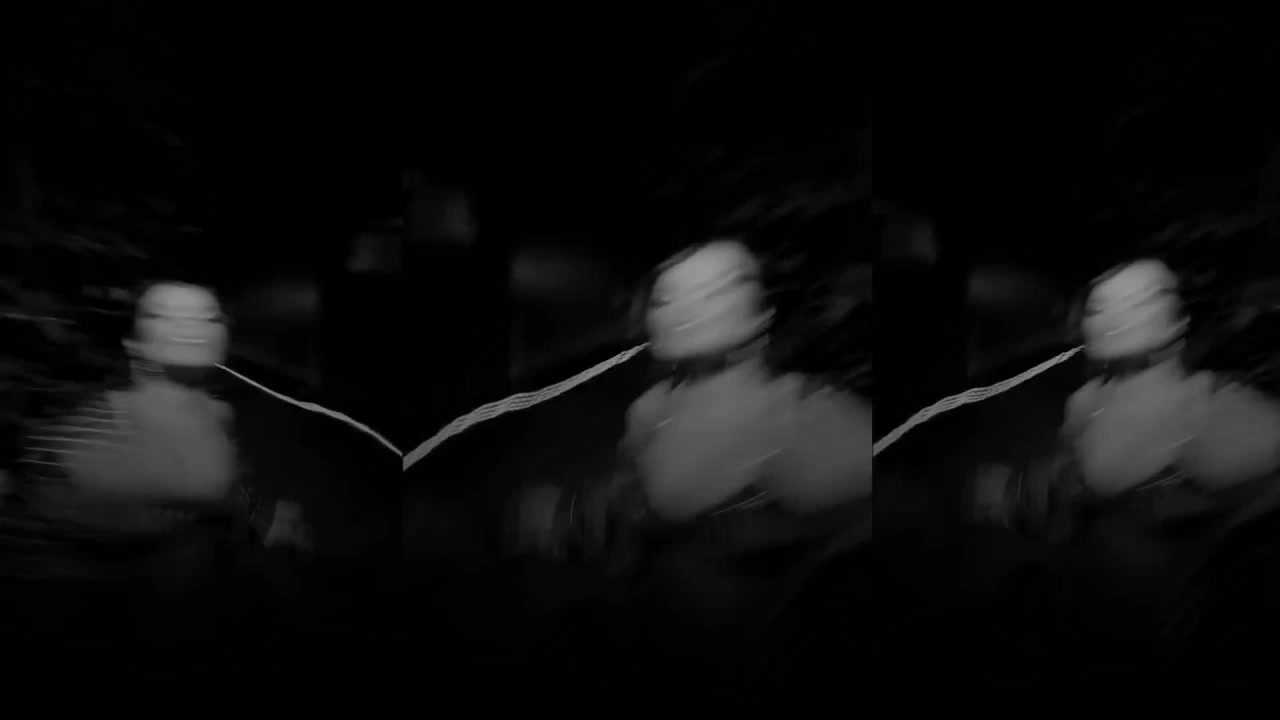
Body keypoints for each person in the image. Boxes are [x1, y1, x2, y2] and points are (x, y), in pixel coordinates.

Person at [510, 239, 871, 689]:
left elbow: (869, 512)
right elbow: (635, 497)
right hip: (665, 636)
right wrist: (577, 513)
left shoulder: (803, 417)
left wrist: (770, 532)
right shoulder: (654, 411)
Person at [3, 279, 312, 675]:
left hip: (168, 598)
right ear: (137, 345)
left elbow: (228, 490)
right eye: (163, 314)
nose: (190, 324)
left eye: (208, 317)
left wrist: (263, 521)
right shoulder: (98, 425)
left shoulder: (218, 414)